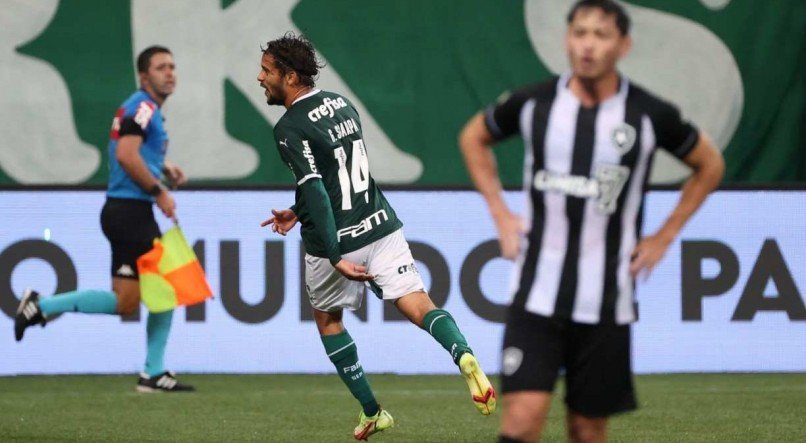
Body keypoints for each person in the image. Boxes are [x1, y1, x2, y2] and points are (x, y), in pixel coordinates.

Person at [459, 1, 725, 441]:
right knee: (521, 422)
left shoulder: (647, 114)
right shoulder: (534, 103)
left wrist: (665, 234)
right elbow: (474, 136)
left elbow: (709, 164)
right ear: (566, 40)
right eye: (579, 33)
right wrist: (501, 214)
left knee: (586, 429)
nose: (587, 45)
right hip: (535, 295)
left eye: (600, 35)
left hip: (606, 301)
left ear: (623, 45)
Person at [257, 32, 496, 440]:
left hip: (336, 238)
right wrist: (296, 211)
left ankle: (373, 412)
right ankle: (463, 353)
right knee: (418, 302)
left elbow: (317, 187)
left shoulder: (288, 128)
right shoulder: (343, 105)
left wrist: (333, 254)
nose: (260, 78)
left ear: (291, 77)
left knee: (328, 320)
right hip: (380, 223)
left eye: (267, 71)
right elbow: (336, 173)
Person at [14, 46, 194, 393]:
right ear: (144, 76)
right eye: (161, 67)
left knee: (126, 302)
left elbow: (127, 151)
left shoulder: (143, 109)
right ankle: (153, 373)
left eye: (172, 66)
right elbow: (126, 154)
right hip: (131, 213)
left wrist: (162, 168)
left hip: (123, 212)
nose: (170, 72)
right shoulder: (143, 107)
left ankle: (41, 305)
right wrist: (159, 191)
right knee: (166, 288)